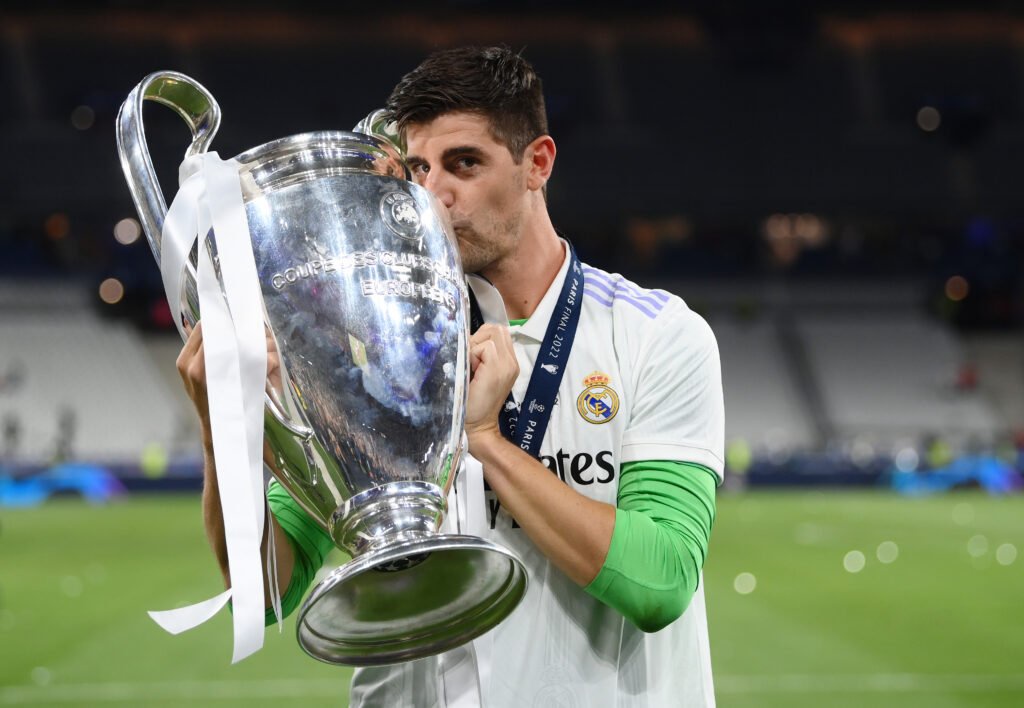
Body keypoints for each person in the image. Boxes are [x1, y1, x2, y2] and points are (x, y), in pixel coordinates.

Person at [178, 46, 724, 707]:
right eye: (416, 168)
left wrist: (487, 440)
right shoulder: (369, 352)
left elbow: (659, 583)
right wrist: (222, 430)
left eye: (465, 163)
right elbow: (266, 593)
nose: (433, 193)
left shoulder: (654, 334)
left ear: (537, 164)